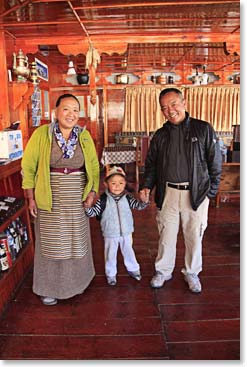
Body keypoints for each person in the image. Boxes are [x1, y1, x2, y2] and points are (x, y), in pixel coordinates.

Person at [139, 87, 222, 293]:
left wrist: (210, 193)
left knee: (194, 235)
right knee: (166, 234)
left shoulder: (203, 129)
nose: (170, 110)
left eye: (174, 104)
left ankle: (192, 272)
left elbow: (215, 163)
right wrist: (146, 186)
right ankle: (163, 271)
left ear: (184, 103)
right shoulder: (159, 135)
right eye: (164, 108)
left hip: (196, 193)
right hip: (168, 192)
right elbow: (151, 165)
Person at [21, 93, 100, 305]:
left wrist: (92, 192)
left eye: (75, 110)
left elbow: (93, 167)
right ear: (55, 112)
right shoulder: (41, 134)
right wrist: (31, 198)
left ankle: (78, 283)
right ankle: (49, 288)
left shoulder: (83, 136)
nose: (71, 114)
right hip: (49, 196)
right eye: (66, 109)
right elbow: (28, 168)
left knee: (76, 240)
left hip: (76, 196)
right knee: (52, 243)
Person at [84, 165, 149, 286]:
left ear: (125, 184)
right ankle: (111, 274)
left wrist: (144, 201)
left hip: (127, 232)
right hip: (110, 233)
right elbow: (93, 213)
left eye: (121, 183)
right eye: (113, 183)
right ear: (106, 184)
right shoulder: (103, 200)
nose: (117, 186)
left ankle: (134, 269)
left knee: (129, 251)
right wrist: (88, 207)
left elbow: (139, 206)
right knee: (110, 254)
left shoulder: (128, 198)